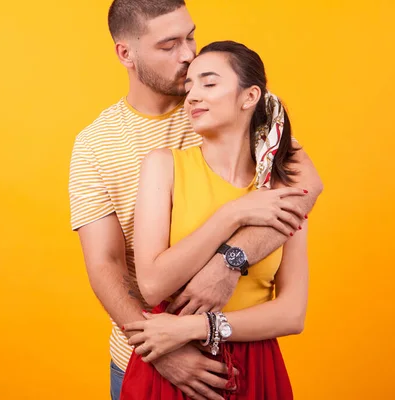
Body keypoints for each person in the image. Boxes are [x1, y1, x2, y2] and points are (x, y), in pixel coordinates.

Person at [68, 1, 323, 399]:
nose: (188, 55)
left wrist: (228, 262)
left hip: (244, 356)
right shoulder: (95, 145)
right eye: (169, 45)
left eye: (190, 36)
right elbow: (106, 264)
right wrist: (160, 350)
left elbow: (305, 188)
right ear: (126, 53)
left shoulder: (231, 111)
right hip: (144, 356)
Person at [120, 40, 308, 400]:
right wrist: (233, 212)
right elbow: (153, 283)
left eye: (208, 83)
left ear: (249, 96)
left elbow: (292, 313)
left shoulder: (281, 187)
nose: (191, 96)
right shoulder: (164, 166)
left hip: (252, 364)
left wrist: (199, 325)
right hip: (172, 362)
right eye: (189, 85)